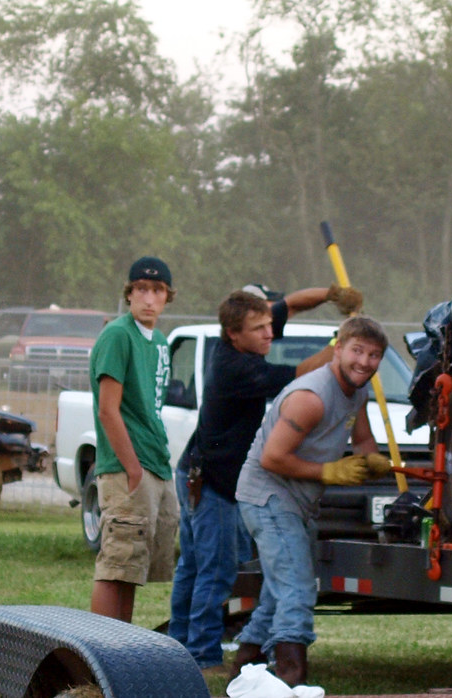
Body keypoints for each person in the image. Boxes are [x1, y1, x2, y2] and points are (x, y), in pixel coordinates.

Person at [168, 283, 363, 673]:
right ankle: (201, 656)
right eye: (259, 329)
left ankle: (177, 647)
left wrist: (329, 294)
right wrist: (344, 342)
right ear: (233, 334)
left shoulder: (251, 332)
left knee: (193, 567)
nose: (269, 333)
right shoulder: (235, 368)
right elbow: (305, 371)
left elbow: (289, 304)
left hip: (198, 469)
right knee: (214, 570)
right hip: (213, 484)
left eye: (267, 324)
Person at [232, 315, 394, 686]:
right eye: (357, 351)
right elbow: (272, 458)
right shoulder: (310, 397)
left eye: (374, 355)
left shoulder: (359, 391)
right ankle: (291, 680)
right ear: (338, 349)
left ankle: (240, 676)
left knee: (277, 593)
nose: (365, 362)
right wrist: (329, 472)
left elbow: (363, 440)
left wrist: (372, 458)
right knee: (297, 588)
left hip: (299, 501)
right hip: (267, 494)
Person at [89, 256, 178, 623]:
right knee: (116, 564)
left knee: (134, 568)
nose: (149, 298)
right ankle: (99, 655)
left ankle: (120, 650)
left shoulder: (159, 341)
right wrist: (132, 467)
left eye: (157, 290)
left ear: (167, 297)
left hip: (155, 462)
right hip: (128, 466)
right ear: (129, 294)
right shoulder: (117, 335)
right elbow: (108, 410)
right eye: (141, 289)